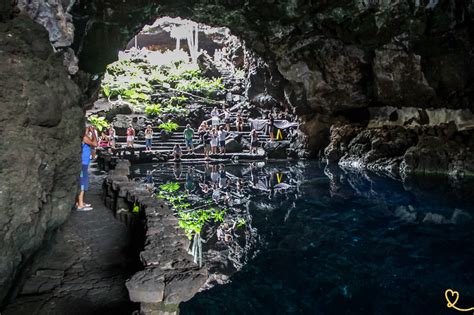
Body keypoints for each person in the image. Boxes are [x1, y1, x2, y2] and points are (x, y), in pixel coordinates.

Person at [77, 124, 98, 211]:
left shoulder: (83, 136)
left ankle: (80, 202)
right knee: (82, 183)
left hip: (83, 163)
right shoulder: (84, 138)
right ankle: (80, 205)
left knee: (82, 182)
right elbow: (95, 143)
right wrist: (93, 132)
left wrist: (88, 130)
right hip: (83, 163)